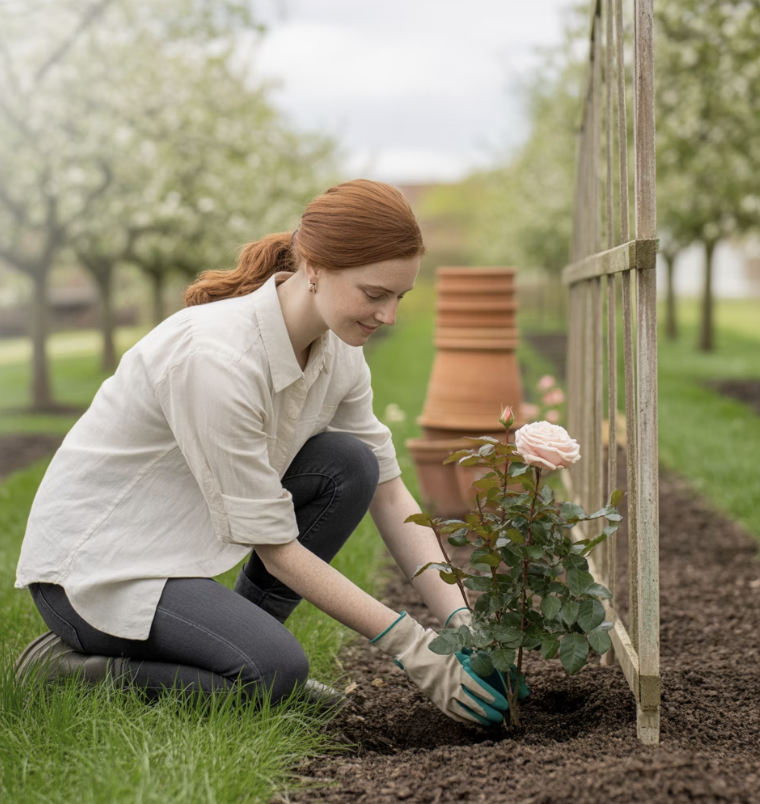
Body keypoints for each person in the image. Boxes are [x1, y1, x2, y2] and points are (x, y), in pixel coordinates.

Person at [13, 179, 509, 726]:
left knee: (351, 465)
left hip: (172, 548)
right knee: (274, 672)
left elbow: (390, 494)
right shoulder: (215, 359)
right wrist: (416, 648)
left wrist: (463, 624)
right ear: (314, 268)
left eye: (400, 297)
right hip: (99, 570)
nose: (388, 315)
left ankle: (240, 652)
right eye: (374, 294)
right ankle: (61, 669)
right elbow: (275, 548)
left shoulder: (338, 350)